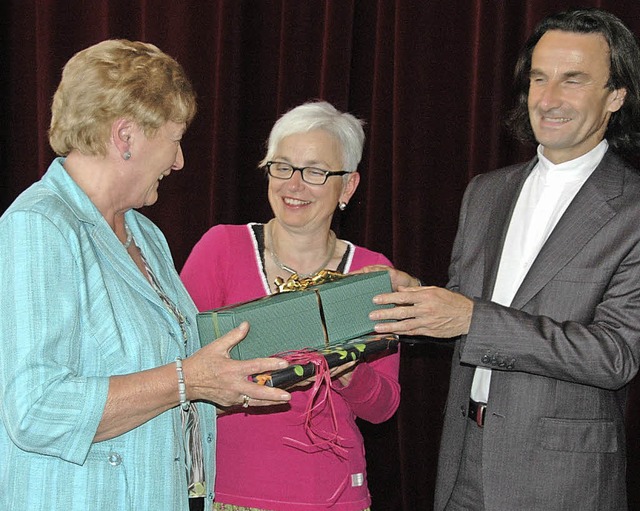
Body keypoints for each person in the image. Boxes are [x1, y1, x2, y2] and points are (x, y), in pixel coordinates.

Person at [366, 8, 640, 511]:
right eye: (539, 78)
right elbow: (464, 313)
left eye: (573, 80)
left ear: (616, 96)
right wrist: (412, 303)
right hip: (462, 459)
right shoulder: (487, 193)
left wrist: (469, 318)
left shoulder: (633, 209)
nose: (549, 98)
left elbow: (616, 355)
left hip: (562, 481)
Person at [0, 39, 292, 511]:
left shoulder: (145, 234)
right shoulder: (39, 225)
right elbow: (36, 409)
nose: (179, 162)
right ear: (126, 136)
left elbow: (181, 368)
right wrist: (187, 381)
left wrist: (261, 365)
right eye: (175, 140)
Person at [180, 100, 401, 511]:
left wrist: (350, 375)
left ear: (348, 186)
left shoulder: (372, 272)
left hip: (337, 497)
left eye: (315, 172)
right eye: (282, 166)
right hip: (233, 493)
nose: (293, 185)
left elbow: (384, 407)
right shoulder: (221, 249)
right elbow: (180, 374)